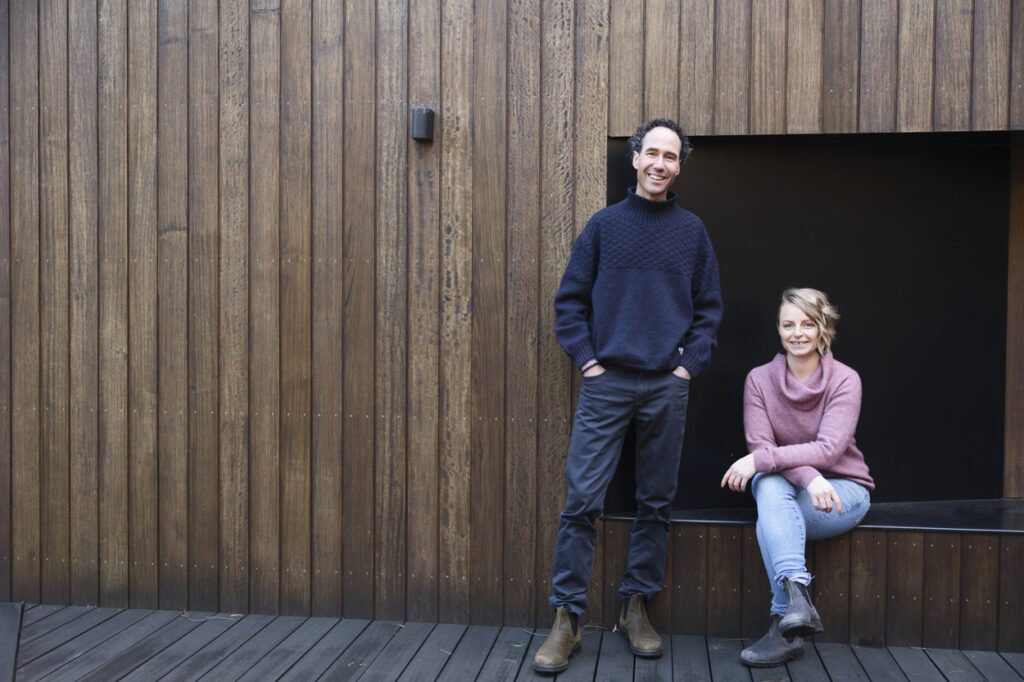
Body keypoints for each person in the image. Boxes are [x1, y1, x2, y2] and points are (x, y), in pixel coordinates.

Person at [533, 118, 722, 674]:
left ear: (679, 166)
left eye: (672, 156)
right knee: (582, 502)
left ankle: (635, 608)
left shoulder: (693, 232)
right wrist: (588, 360)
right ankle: (566, 618)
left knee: (655, 501)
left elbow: (709, 310)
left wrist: (687, 367)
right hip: (607, 382)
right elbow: (570, 302)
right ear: (635, 157)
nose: (661, 163)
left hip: (667, 384)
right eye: (653, 153)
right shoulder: (604, 227)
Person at [721, 288, 874, 668]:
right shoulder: (759, 380)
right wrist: (808, 477)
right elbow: (760, 442)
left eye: (808, 324)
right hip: (798, 490)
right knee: (769, 487)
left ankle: (782, 624)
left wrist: (771, 465)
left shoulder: (844, 379)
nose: (797, 333)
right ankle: (796, 606)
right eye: (788, 324)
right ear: (778, 329)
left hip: (842, 492)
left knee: (768, 502)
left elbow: (829, 451)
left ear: (824, 329)